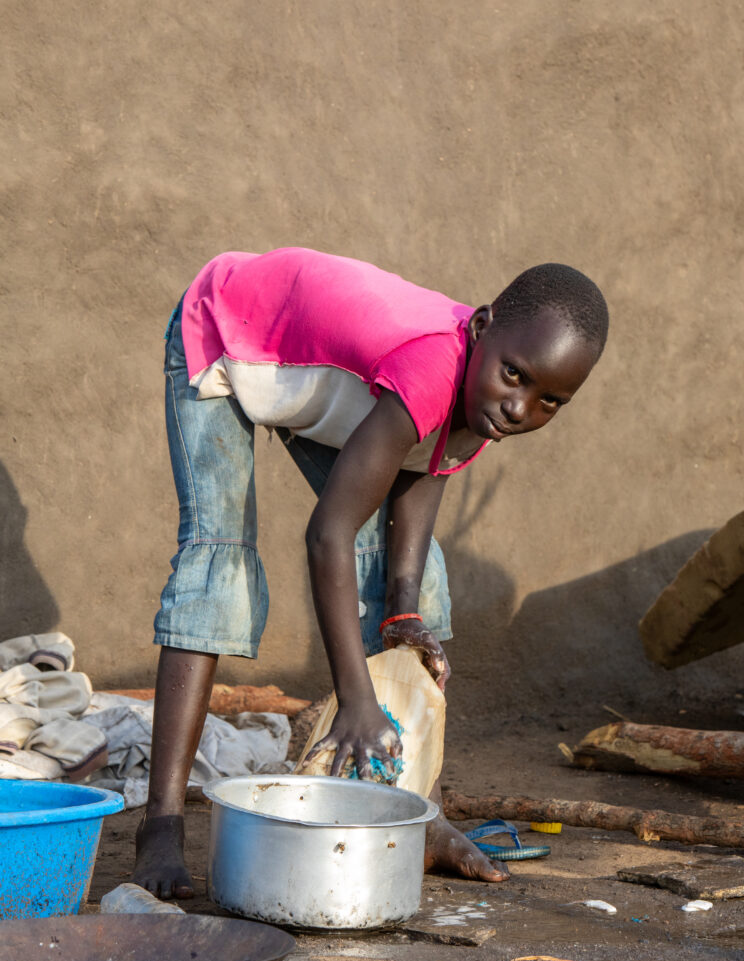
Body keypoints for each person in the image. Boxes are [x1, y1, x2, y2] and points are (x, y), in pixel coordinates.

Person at [132, 247, 608, 898]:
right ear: (481, 327)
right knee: (219, 565)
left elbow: (423, 474)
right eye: (516, 376)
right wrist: (355, 700)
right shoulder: (435, 366)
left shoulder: (483, 398)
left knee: (416, 576)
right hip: (225, 337)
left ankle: (421, 814)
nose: (521, 408)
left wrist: (405, 610)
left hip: (323, 384)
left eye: (550, 400)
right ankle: (159, 825)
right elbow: (327, 536)